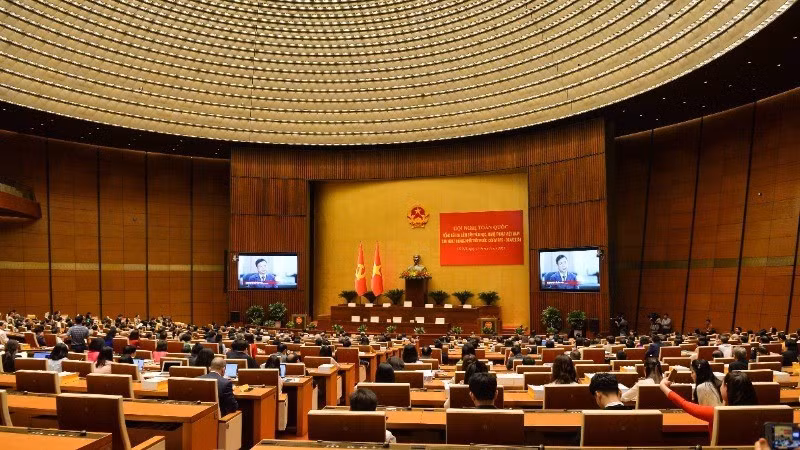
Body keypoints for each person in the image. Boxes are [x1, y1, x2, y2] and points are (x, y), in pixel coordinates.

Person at [659, 371, 757, 434]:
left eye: (722, 384)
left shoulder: (717, 413)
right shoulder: (758, 413)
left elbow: (683, 404)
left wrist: (663, 386)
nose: (720, 387)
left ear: (728, 389)